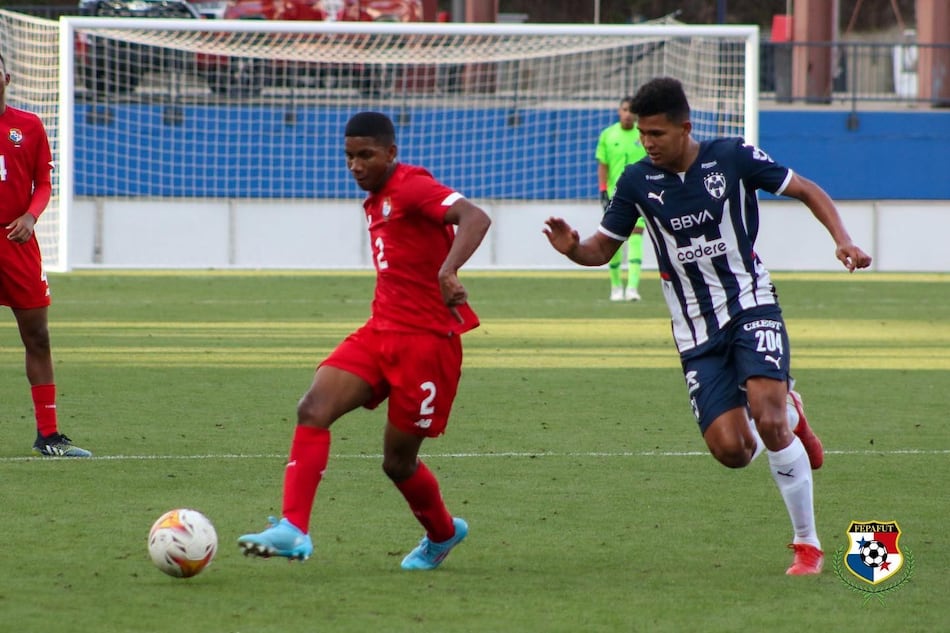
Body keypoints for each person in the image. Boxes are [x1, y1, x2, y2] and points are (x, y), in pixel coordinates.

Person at [544, 77, 872, 576]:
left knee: (766, 414)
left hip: (750, 303)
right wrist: (573, 249)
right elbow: (602, 248)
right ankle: (792, 411)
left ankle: (807, 544)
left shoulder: (732, 157)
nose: (647, 143)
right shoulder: (635, 181)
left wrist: (842, 239)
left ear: (684, 127)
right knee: (732, 451)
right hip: (695, 330)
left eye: (656, 133)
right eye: (643, 135)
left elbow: (805, 188)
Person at [238, 111, 491, 570]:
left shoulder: (413, 186)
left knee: (398, 463)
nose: (355, 165)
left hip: (427, 345)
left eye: (366, 156)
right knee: (313, 408)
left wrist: (448, 270)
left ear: (391, 153)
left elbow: (474, 216)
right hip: (380, 332)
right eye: (349, 157)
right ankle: (294, 529)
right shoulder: (375, 199)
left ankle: (443, 532)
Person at [0, 52, 92, 458]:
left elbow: (43, 182)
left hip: (17, 242)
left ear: (6, 77)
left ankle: (49, 435)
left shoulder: (29, 125)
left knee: (37, 335)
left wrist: (32, 216)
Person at [596, 97, 647, 301]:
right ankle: (616, 286)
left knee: (636, 236)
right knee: (612, 240)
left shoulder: (642, 135)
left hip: (640, 195)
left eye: (631, 110)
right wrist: (602, 191)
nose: (627, 114)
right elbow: (603, 165)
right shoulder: (608, 135)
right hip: (614, 197)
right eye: (624, 109)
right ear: (619, 111)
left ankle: (632, 288)